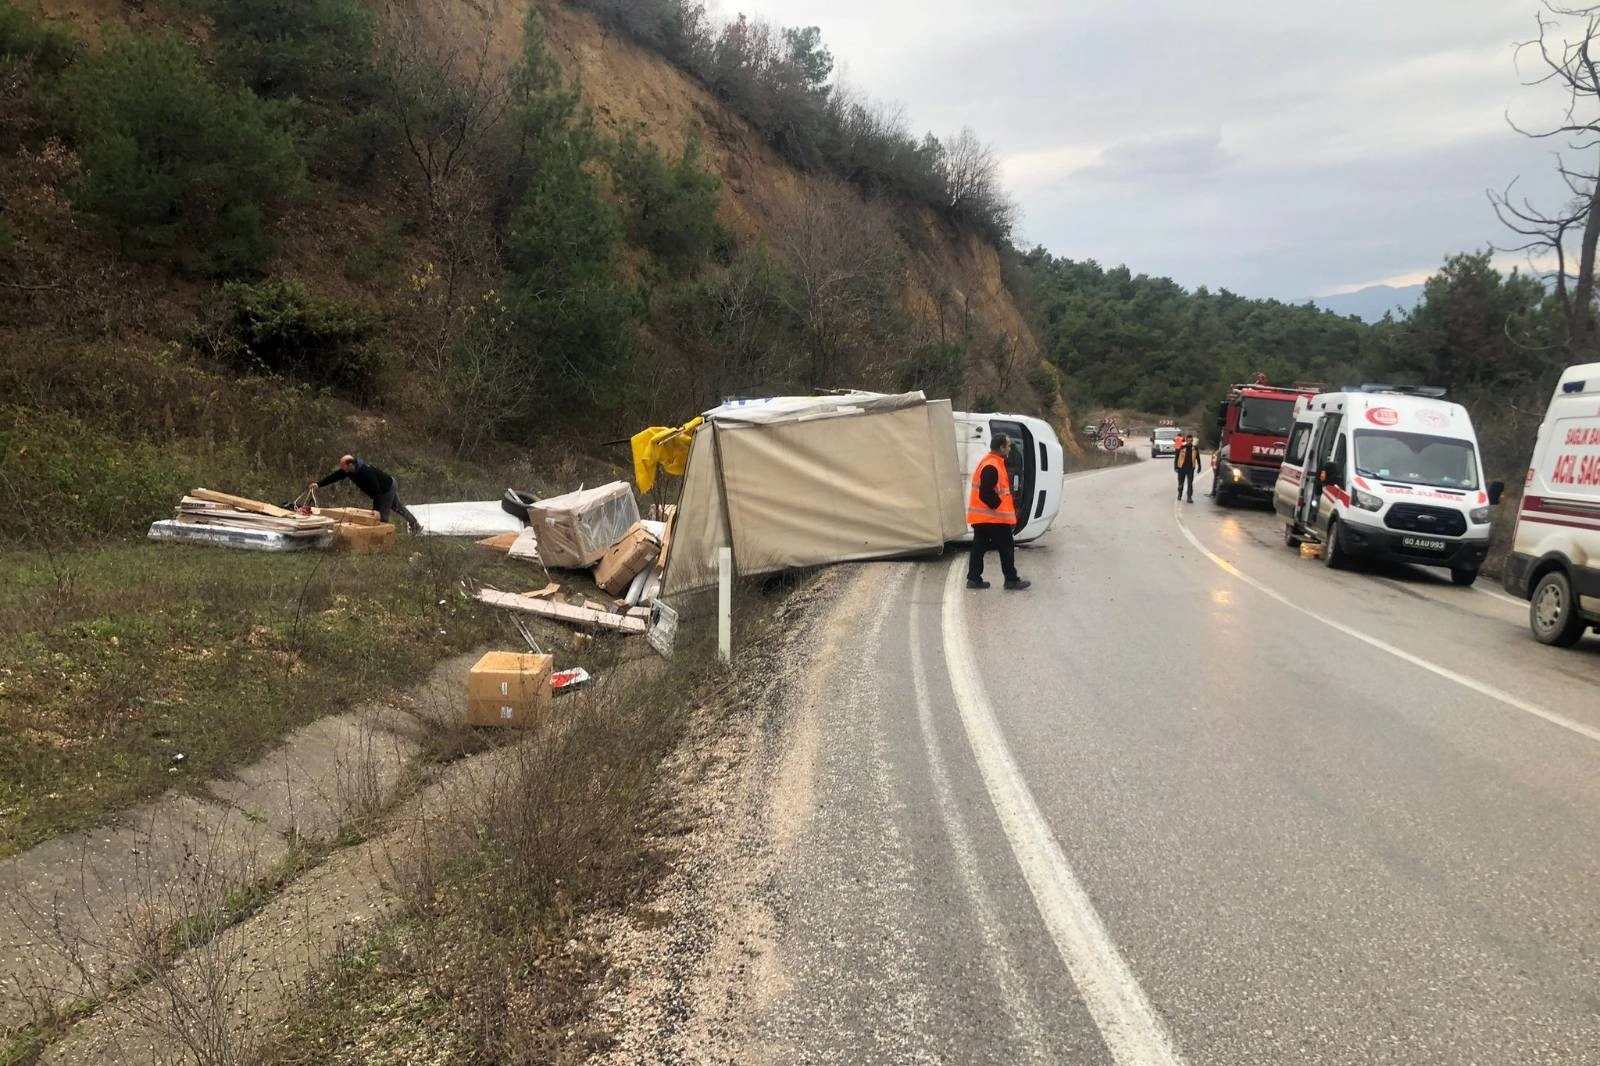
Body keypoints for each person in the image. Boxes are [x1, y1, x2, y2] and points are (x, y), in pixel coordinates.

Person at [967, 434, 1030, 591]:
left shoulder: (991, 462)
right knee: (1007, 548)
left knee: (979, 548)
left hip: (983, 518)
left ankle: (974, 579)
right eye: (1008, 446)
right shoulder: (992, 465)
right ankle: (1011, 580)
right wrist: (998, 506)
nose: (1009, 448)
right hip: (994, 518)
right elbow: (985, 492)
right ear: (1001, 448)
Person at [310, 454, 422, 533]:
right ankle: (415, 524)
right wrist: (319, 484)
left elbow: (377, 492)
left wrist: (376, 510)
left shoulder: (366, 473)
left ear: (350, 465)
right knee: (397, 507)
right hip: (388, 484)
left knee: (381, 517)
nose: (342, 468)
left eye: (343, 466)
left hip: (386, 488)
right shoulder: (349, 471)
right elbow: (335, 476)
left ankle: (381, 540)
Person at [1175, 434, 1202, 503]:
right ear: (1186, 440)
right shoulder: (1181, 447)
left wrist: (1199, 467)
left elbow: (1198, 458)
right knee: (1181, 483)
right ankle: (1179, 494)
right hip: (1181, 468)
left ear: (1192, 441)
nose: (1189, 442)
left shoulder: (1195, 448)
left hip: (1190, 468)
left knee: (1190, 483)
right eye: (1188, 440)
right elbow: (1177, 457)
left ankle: (1189, 497)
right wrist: (1176, 467)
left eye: (1191, 440)